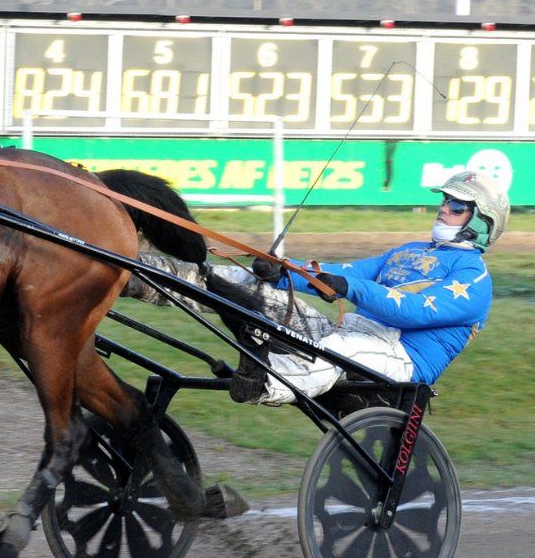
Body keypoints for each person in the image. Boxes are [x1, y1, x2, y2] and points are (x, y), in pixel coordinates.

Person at [124, 170, 508, 406]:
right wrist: (282, 274)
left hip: (401, 359)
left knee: (329, 351)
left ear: (481, 222)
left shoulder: (474, 279)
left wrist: (349, 289)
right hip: (353, 333)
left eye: (457, 207)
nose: (443, 209)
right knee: (255, 290)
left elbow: (412, 309)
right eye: (445, 201)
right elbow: (343, 271)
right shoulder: (409, 251)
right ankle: (139, 274)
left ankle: (263, 381)